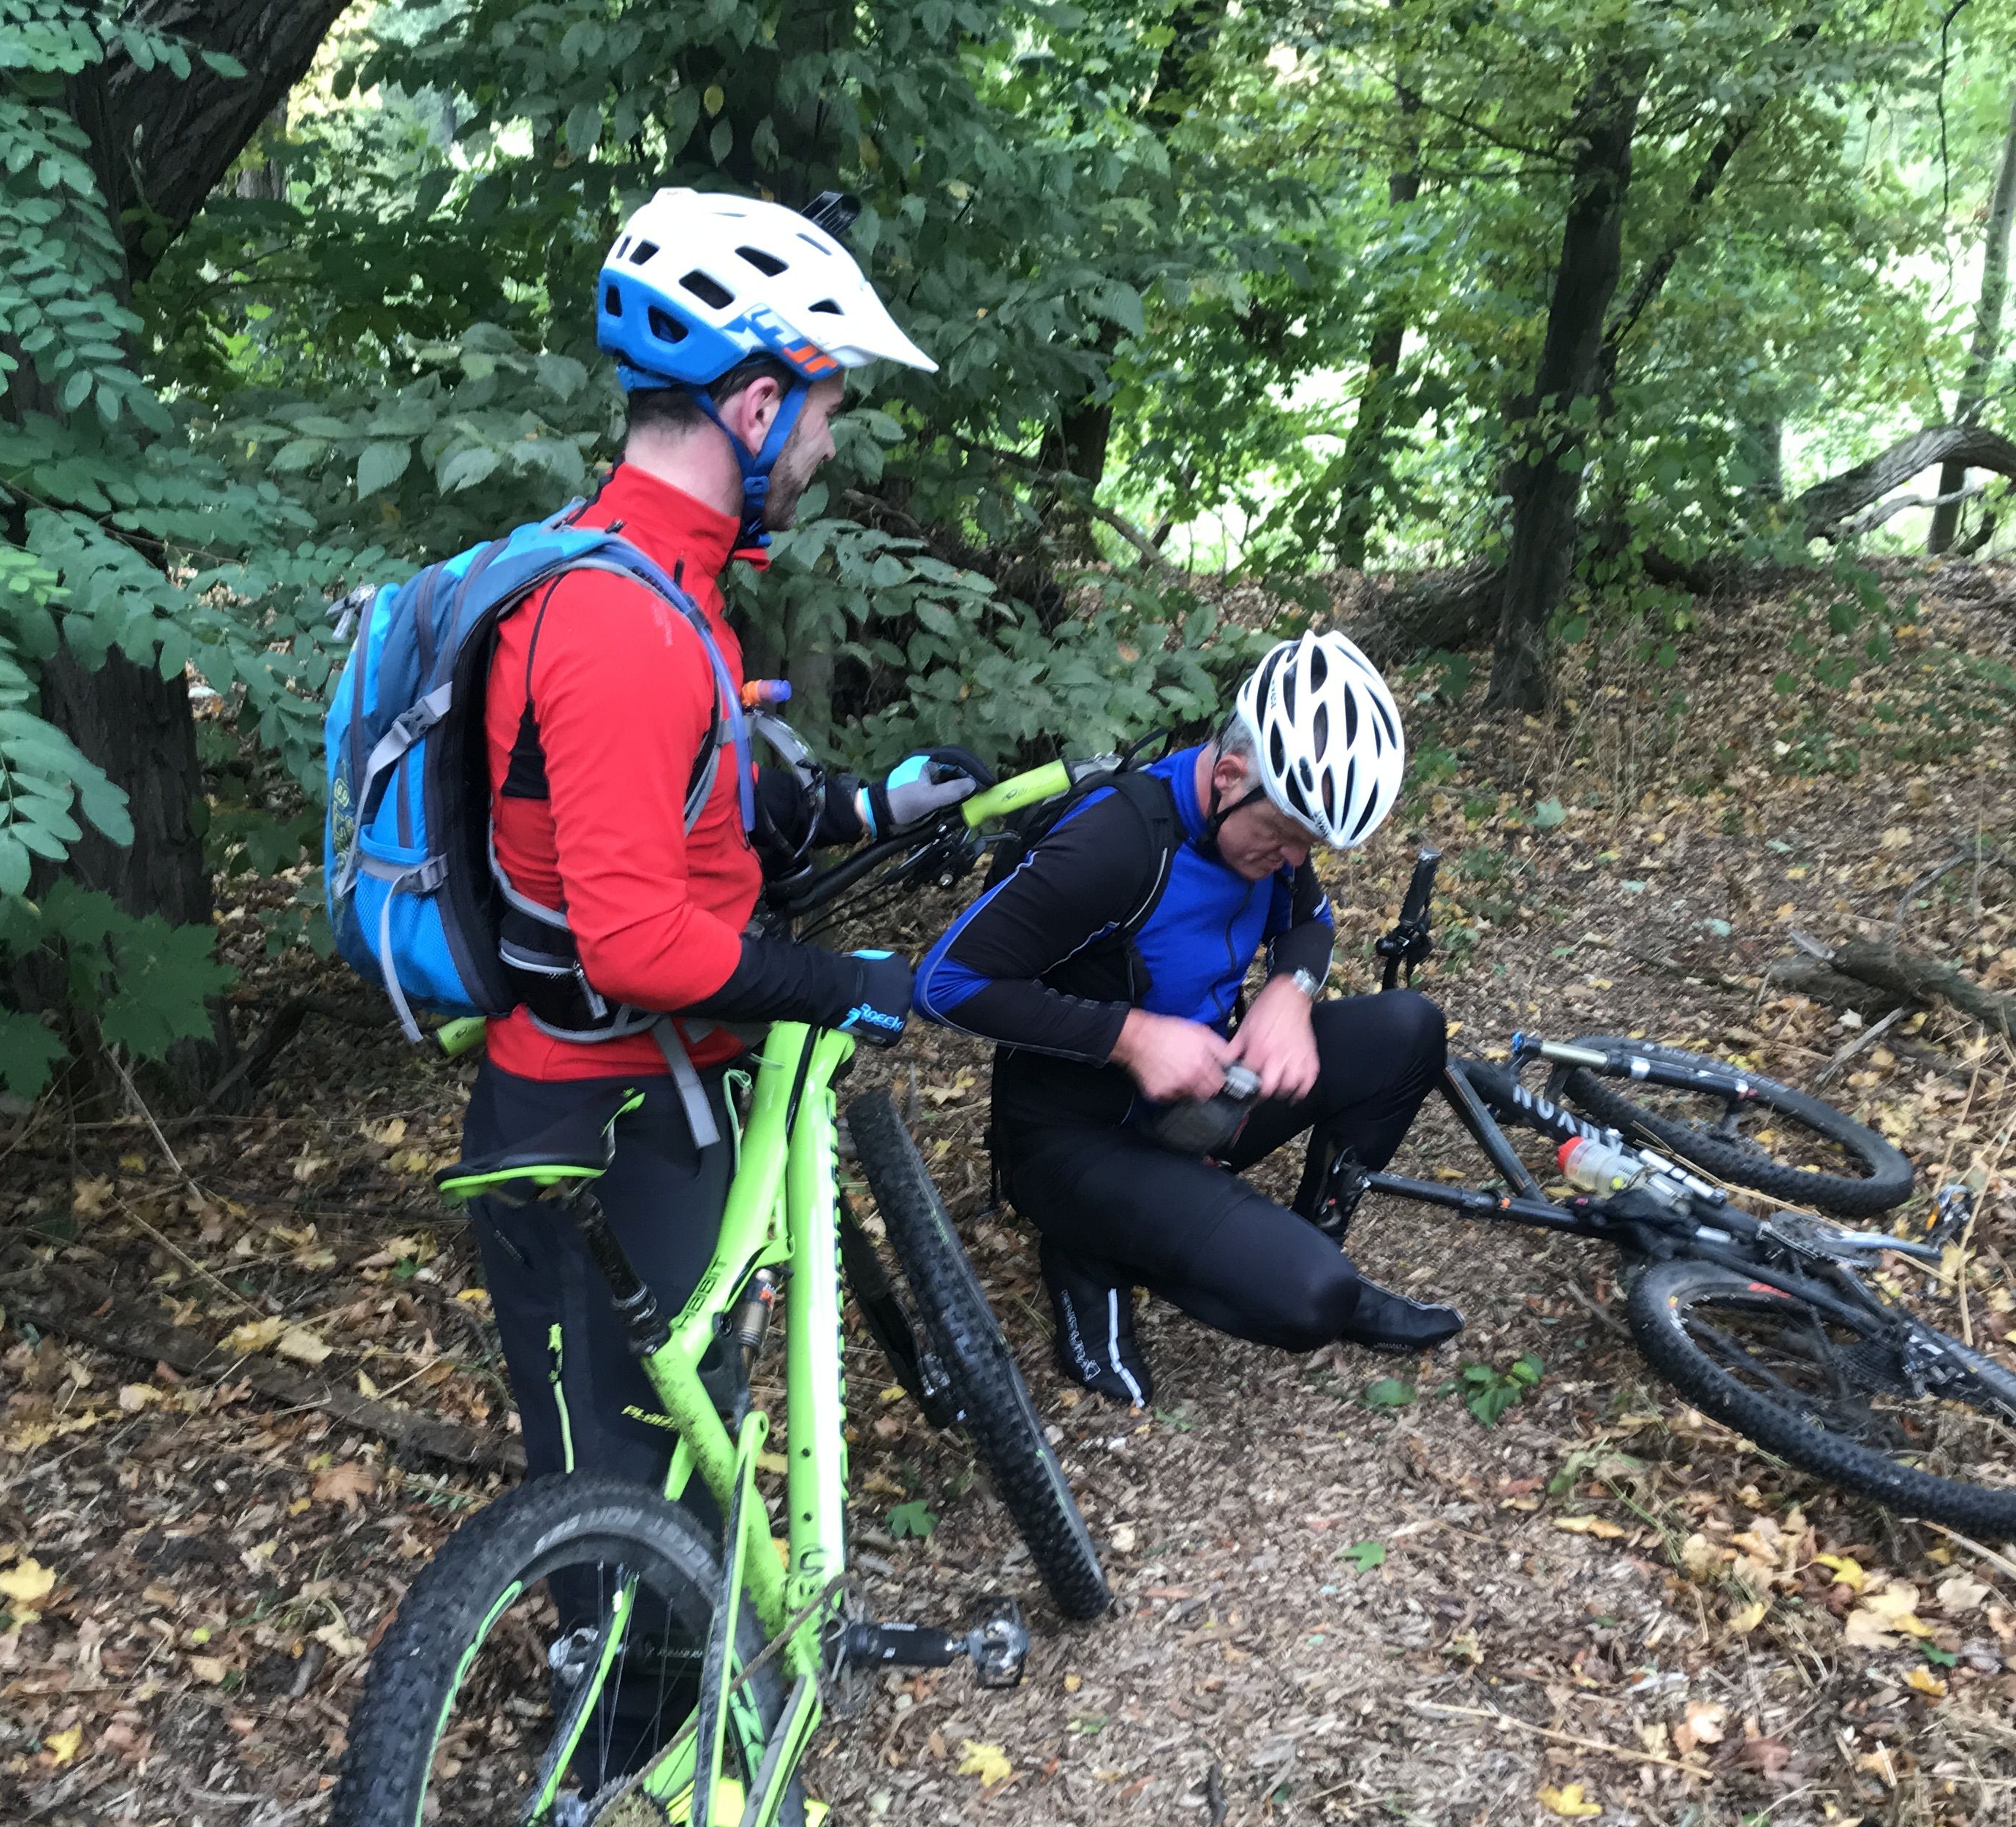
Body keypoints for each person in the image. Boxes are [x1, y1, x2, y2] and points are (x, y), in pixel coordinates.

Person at [461, 187, 983, 1551]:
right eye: (822, 410)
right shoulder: (619, 620)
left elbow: (697, 797)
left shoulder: (660, 578)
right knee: (630, 1527)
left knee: (686, 1485)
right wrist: (842, 983)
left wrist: (863, 804)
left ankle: (700, 1671)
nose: (827, 443)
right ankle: (638, 1701)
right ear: (755, 405)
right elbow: (633, 940)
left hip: (657, 1099)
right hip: (599, 1120)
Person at [913, 631, 1460, 1407]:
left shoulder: (1264, 835)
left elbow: (1310, 922)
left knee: (1408, 1030)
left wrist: (1289, 992)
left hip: (1199, 1100)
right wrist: (1130, 1037)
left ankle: (1307, 1241)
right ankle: (1086, 1247)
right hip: (1074, 1137)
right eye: (1284, 837)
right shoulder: (1117, 844)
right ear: (1230, 774)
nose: (1294, 860)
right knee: (1314, 1302)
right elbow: (943, 982)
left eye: (1309, 845)